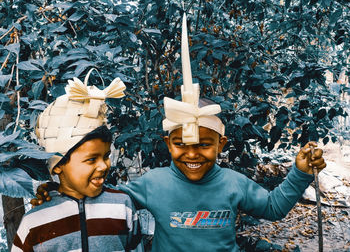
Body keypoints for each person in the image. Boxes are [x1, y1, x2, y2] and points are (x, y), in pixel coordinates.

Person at [32, 15, 327, 252]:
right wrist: (56, 191)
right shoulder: (151, 184)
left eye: (203, 144)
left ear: (221, 143)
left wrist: (300, 173)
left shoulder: (235, 184)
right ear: (167, 142)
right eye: (180, 144)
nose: (192, 153)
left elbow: (273, 208)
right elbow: (98, 194)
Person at [13, 72, 142, 252]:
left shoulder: (122, 206)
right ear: (58, 166)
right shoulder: (34, 222)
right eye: (91, 159)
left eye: (105, 156)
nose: (104, 165)